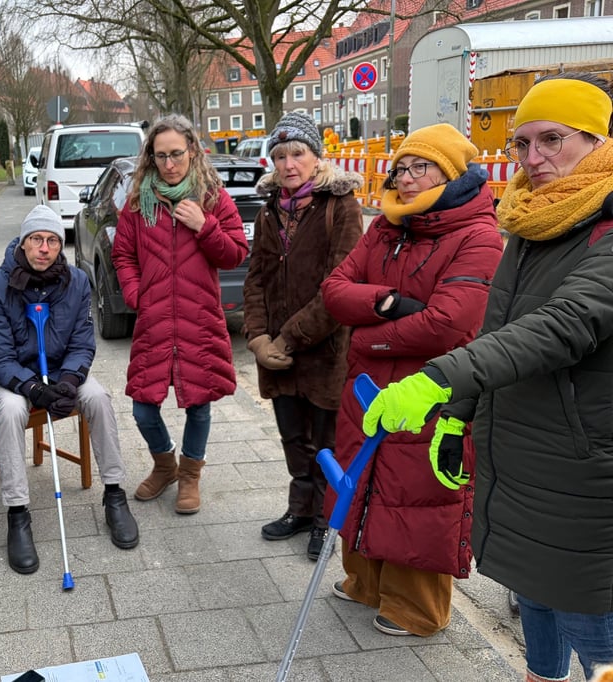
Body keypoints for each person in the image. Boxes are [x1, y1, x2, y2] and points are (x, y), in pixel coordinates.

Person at [360, 73, 613, 680]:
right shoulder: (530, 224)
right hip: (521, 454)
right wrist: (457, 416)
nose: (534, 159)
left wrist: (436, 381)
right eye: (521, 145)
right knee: (535, 607)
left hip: (581, 468)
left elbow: (564, 324)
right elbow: (495, 330)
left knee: (590, 628)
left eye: (553, 140)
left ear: (600, 140)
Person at [320, 123, 503, 636]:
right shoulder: (385, 226)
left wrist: (364, 337)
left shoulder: (478, 236)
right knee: (365, 481)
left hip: (431, 388)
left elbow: (450, 324)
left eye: (419, 167)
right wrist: (385, 303)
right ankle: (365, 583)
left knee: (417, 497)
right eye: (401, 167)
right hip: (368, 387)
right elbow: (334, 289)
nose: (404, 178)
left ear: (449, 172)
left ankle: (416, 609)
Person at [0, 205, 139, 574]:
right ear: (23, 243)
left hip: (61, 372)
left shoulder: (77, 281)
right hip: (13, 377)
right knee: (14, 410)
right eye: (36, 239)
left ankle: (114, 494)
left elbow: (83, 341)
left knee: (97, 397)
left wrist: (69, 381)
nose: (45, 248)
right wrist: (33, 388)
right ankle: (17, 513)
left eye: (52, 240)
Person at [111, 114, 249, 514]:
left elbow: (236, 252)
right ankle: (164, 464)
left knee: (198, 403)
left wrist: (204, 226)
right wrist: (138, 294)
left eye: (176, 154)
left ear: (192, 151)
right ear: (150, 159)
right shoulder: (139, 204)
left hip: (198, 317)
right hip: (154, 319)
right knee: (142, 405)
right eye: (160, 156)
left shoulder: (212, 198)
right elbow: (122, 254)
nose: (169, 164)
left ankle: (190, 475)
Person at [242, 111, 364, 560]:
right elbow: (254, 279)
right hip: (276, 350)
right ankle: (299, 508)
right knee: (293, 437)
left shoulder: (341, 207)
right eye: (279, 156)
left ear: (317, 156)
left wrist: (286, 340)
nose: (288, 164)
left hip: (324, 350)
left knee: (326, 442)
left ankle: (324, 520)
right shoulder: (269, 211)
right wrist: (257, 339)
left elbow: (339, 286)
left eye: (297, 154)